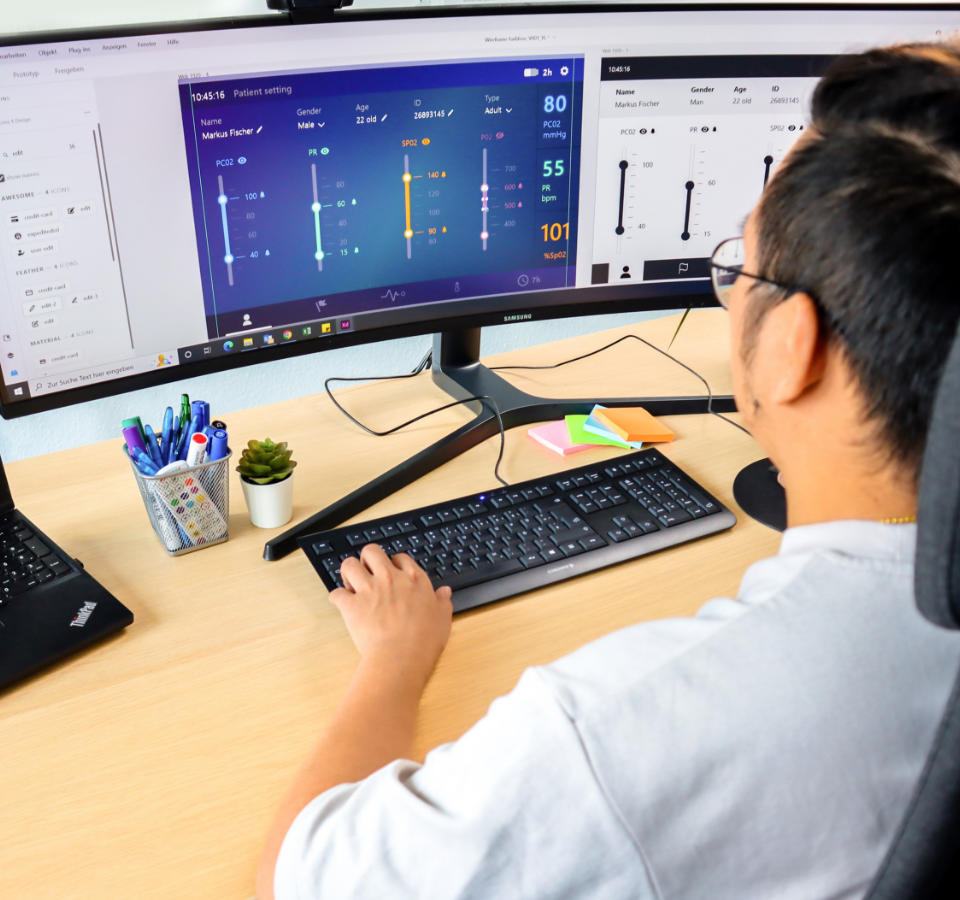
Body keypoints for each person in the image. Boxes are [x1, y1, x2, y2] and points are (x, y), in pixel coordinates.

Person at [257, 43, 960, 900]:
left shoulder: (617, 733)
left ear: (790, 347)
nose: (730, 296)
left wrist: (394, 661)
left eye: (739, 266)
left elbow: (299, 877)